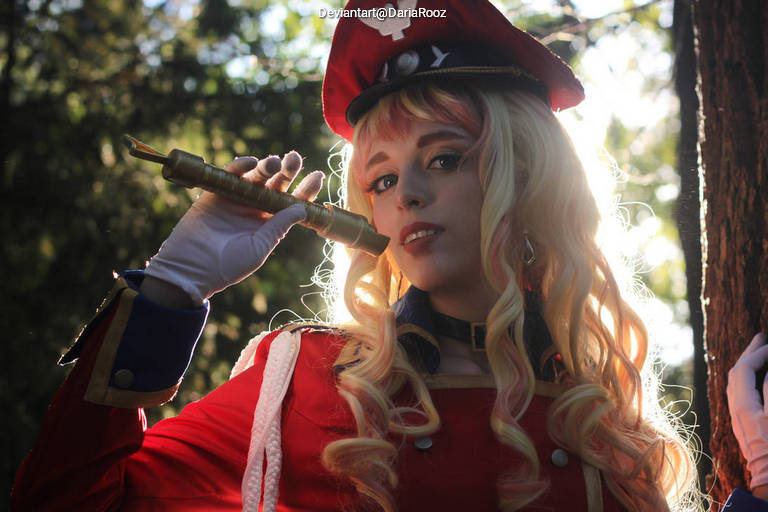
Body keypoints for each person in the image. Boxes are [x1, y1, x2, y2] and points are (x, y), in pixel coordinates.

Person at [10, 0, 768, 510]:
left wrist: (763, 478)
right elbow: (68, 500)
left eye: (443, 159)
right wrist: (170, 289)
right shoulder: (300, 383)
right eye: (380, 176)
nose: (405, 191)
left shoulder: (602, 417)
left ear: (527, 174)